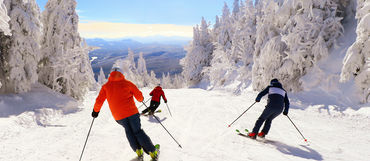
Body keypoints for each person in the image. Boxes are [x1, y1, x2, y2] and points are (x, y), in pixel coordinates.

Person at [92, 67, 158, 160]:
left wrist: (95, 111)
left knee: (129, 132)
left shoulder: (106, 86)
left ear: (111, 75)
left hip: (119, 117)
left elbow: (99, 101)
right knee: (138, 131)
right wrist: (141, 99)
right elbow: (139, 97)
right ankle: (153, 151)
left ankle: (139, 151)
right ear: (121, 74)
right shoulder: (127, 83)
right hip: (132, 113)